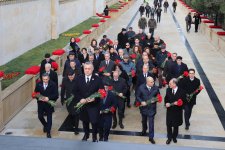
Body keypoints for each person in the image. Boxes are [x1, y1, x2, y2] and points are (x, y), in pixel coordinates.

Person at [73, 62, 104, 142]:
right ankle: (86, 135)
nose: (87, 70)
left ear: (92, 69)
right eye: (85, 68)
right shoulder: (78, 78)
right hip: (83, 106)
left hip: (94, 105)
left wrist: (95, 99)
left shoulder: (98, 79)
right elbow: (75, 91)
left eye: (89, 69)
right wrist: (80, 99)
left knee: (94, 122)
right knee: (85, 122)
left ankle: (94, 136)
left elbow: (102, 92)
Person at [34, 73, 58, 138]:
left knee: (49, 118)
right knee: (40, 116)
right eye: (44, 79)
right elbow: (36, 93)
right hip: (41, 104)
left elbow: (56, 95)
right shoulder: (38, 84)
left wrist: (48, 98)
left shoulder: (53, 84)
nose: (45, 81)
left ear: (49, 78)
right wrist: (39, 97)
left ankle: (48, 132)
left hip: (49, 104)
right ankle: (45, 125)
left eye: (46, 79)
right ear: (42, 79)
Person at [136, 77, 159, 144]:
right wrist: (141, 101)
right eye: (151, 82)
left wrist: (155, 99)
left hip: (152, 108)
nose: (153, 83)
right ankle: (144, 130)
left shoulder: (156, 88)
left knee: (151, 123)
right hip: (144, 108)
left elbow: (158, 96)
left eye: (153, 81)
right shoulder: (141, 87)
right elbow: (138, 96)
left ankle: (151, 137)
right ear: (147, 82)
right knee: (144, 121)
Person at [165, 78, 186, 144]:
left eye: (170, 83)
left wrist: (179, 104)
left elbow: (184, 102)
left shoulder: (182, 91)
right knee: (169, 125)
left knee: (176, 126)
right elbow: (166, 98)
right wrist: (166, 103)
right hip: (170, 111)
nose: (169, 84)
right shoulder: (168, 90)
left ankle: (174, 137)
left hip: (177, 112)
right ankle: (169, 138)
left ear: (174, 84)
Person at [61, 71, 79, 135]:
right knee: (71, 113)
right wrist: (62, 99)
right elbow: (63, 90)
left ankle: (76, 129)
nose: (70, 77)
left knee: (76, 114)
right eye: (69, 76)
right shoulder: (65, 80)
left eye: (72, 76)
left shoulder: (78, 80)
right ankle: (73, 123)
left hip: (76, 100)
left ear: (74, 75)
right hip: (68, 100)